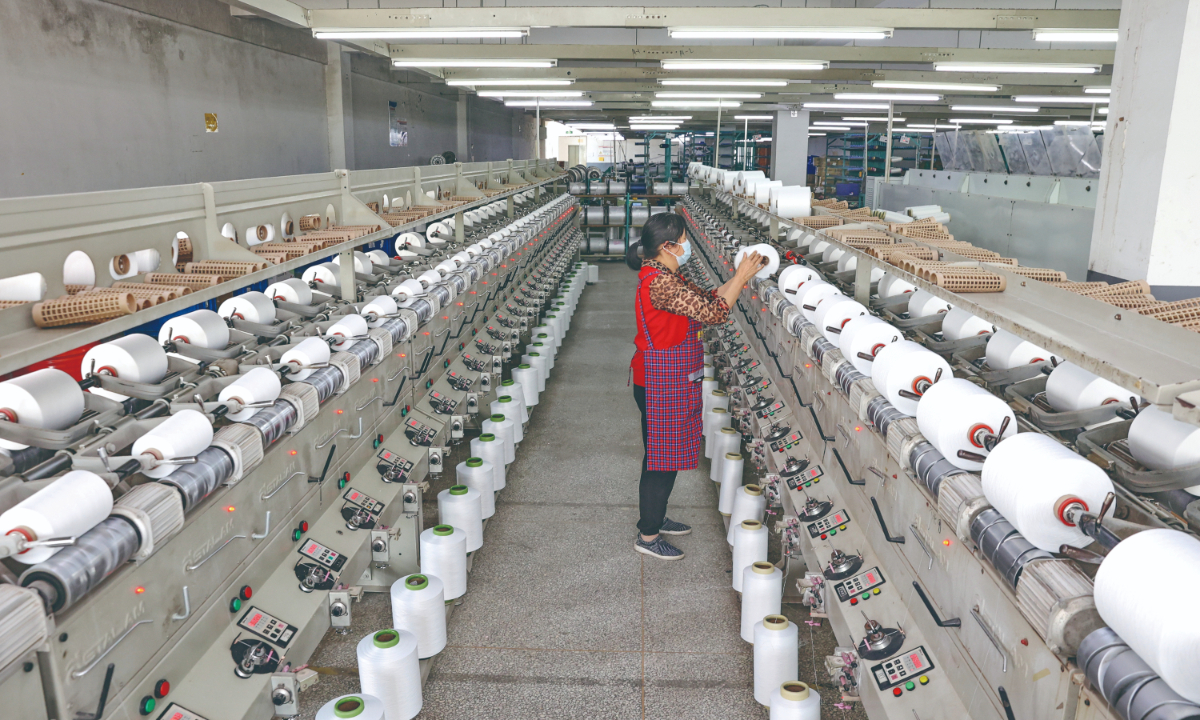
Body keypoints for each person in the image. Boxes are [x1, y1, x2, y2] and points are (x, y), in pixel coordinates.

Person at [627, 212, 766, 560]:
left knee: (664, 456)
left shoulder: (669, 275)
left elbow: (709, 297)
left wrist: (740, 278)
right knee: (660, 461)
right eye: (684, 240)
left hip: (669, 379)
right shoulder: (660, 283)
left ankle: (654, 516)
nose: (687, 245)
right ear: (668, 247)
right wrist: (741, 276)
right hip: (660, 382)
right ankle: (647, 535)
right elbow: (715, 313)